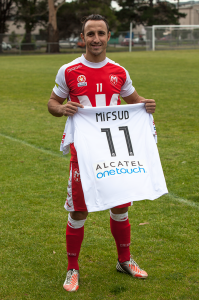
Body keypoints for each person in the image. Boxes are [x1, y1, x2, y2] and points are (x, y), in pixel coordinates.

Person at [48, 14, 156, 292]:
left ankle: (124, 260)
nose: (96, 39)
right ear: (82, 38)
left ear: (108, 36)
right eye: (90, 34)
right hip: (83, 153)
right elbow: (52, 102)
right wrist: (61, 109)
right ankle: (73, 268)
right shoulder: (69, 70)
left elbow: (134, 101)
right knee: (79, 210)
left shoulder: (119, 71)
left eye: (101, 33)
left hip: (114, 152)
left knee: (120, 207)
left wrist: (147, 104)